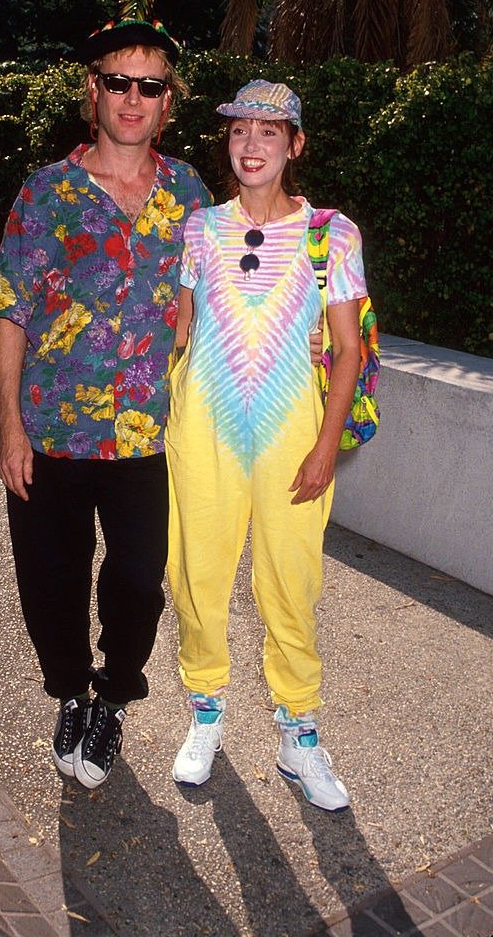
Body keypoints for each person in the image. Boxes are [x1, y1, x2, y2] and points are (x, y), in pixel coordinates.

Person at [0, 19, 212, 789]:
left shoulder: (188, 193)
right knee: (50, 577)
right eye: (118, 81)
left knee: (139, 578)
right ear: (93, 91)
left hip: (148, 435)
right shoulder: (46, 192)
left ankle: (115, 695)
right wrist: (9, 427)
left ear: (167, 102)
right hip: (51, 429)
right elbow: (11, 308)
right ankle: (70, 692)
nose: (132, 98)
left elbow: (217, 299)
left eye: (149, 86)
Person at [166, 80, 365, 812]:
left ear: (294, 145)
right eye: (240, 131)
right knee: (196, 575)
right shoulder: (197, 228)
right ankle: (206, 714)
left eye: (268, 133)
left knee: (291, 583)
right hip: (203, 431)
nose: (251, 146)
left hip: (290, 436)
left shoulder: (330, 234)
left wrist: (323, 446)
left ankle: (298, 734)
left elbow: (344, 350)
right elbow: (180, 334)